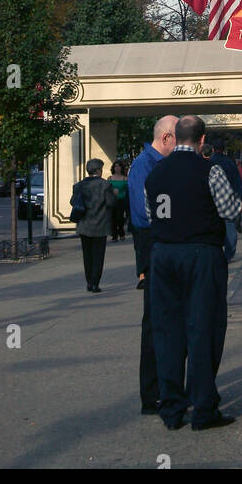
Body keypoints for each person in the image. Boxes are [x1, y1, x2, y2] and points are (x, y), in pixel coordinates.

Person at [145, 114, 242, 431]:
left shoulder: (156, 173)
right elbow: (228, 211)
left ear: (175, 137)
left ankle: (172, 408)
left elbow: (150, 216)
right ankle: (203, 407)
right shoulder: (209, 170)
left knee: (167, 331)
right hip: (201, 253)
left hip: (162, 254)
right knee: (203, 328)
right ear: (202, 140)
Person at [128, 115, 177, 415]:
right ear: (167, 138)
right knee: (155, 321)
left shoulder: (151, 163)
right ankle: (152, 393)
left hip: (155, 240)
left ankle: (163, 388)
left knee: (163, 319)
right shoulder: (146, 165)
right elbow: (144, 214)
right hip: (152, 241)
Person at [71, 159, 117, 293]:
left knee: (87, 256)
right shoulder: (105, 185)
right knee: (98, 256)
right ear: (98, 170)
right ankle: (95, 283)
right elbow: (110, 203)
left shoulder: (79, 185)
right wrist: (113, 195)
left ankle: (89, 282)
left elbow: (73, 201)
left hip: (84, 225)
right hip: (100, 225)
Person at [209, 134, 242, 261]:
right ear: (224, 149)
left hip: (213, 200)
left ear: (213, 149)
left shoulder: (209, 162)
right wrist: (241, 199)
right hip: (230, 199)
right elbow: (238, 181)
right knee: (230, 226)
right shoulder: (230, 162)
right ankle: (229, 253)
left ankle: (217, 251)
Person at [109, 160, 128, 241]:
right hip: (112, 200)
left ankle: (121, 233)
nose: (117, 168)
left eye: (119, 166)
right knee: (112, 218)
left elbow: (128, 190)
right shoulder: (110, 178)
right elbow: (106, 189)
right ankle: (114, 235)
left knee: (119, 218)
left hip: (121, 200)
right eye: (115, 166)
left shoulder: (124, 178)